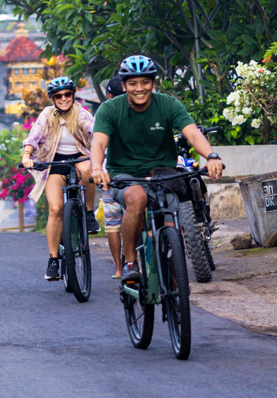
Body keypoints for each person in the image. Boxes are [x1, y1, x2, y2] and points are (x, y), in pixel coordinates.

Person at [90, 56, 223, 283]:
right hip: (125, 174)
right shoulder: (109, 109)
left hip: (162, 173)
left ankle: (173, 277)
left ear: (153, 83)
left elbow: (192, 133)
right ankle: (131, 262)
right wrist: (95, 168)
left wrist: (211, 156)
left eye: (145, 82)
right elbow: (99, 143)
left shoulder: (168, 104)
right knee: (137, 197)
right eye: (132, 83)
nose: (139, 88)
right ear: (124, 86)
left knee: (172, 217)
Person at [21, 76, 97, 282]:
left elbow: (95, 131)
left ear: (73, 95)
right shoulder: (48, 114)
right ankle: (54, 259)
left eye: (67, 94)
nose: (63, 98)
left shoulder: (81, 113)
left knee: (89, 169)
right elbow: (34, 136)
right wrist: (27, 155)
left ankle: (89, 213)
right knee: (55, 209)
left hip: (80, 157)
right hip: (54, 162)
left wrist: (103, 146)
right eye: (59, 96)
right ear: (53, 98)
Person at [103, 75, 125, 279]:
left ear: (109, 95)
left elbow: (97, 146)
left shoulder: (106, 114)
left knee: (113, 224)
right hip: (134, 174)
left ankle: (119, 268)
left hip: (108, 175)